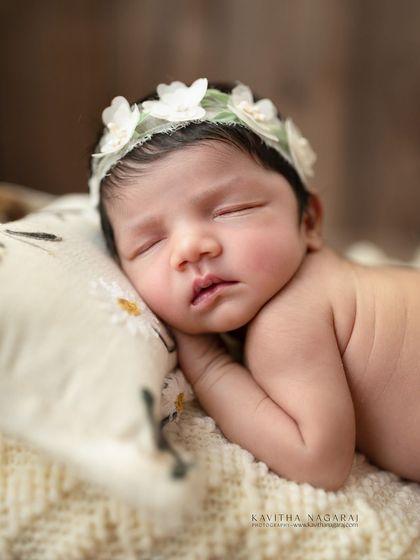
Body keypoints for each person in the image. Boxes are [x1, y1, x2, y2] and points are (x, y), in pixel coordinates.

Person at [89, 78, 420, 491]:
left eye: (231, 210)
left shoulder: (287, 320)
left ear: (309, 221)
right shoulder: (338, 283)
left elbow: (318, 461)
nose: (190, 249)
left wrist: (210, 367)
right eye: (150, 242)